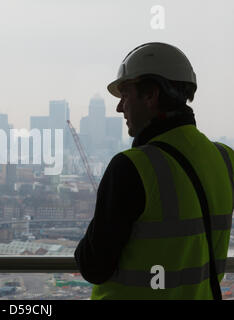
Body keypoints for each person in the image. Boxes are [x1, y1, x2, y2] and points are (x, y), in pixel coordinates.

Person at [74, 42, 234, 299]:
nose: (119, 107)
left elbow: (94, 266)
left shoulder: (131, 168)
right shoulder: (226, 159)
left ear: (151, 95)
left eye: (126, 95)